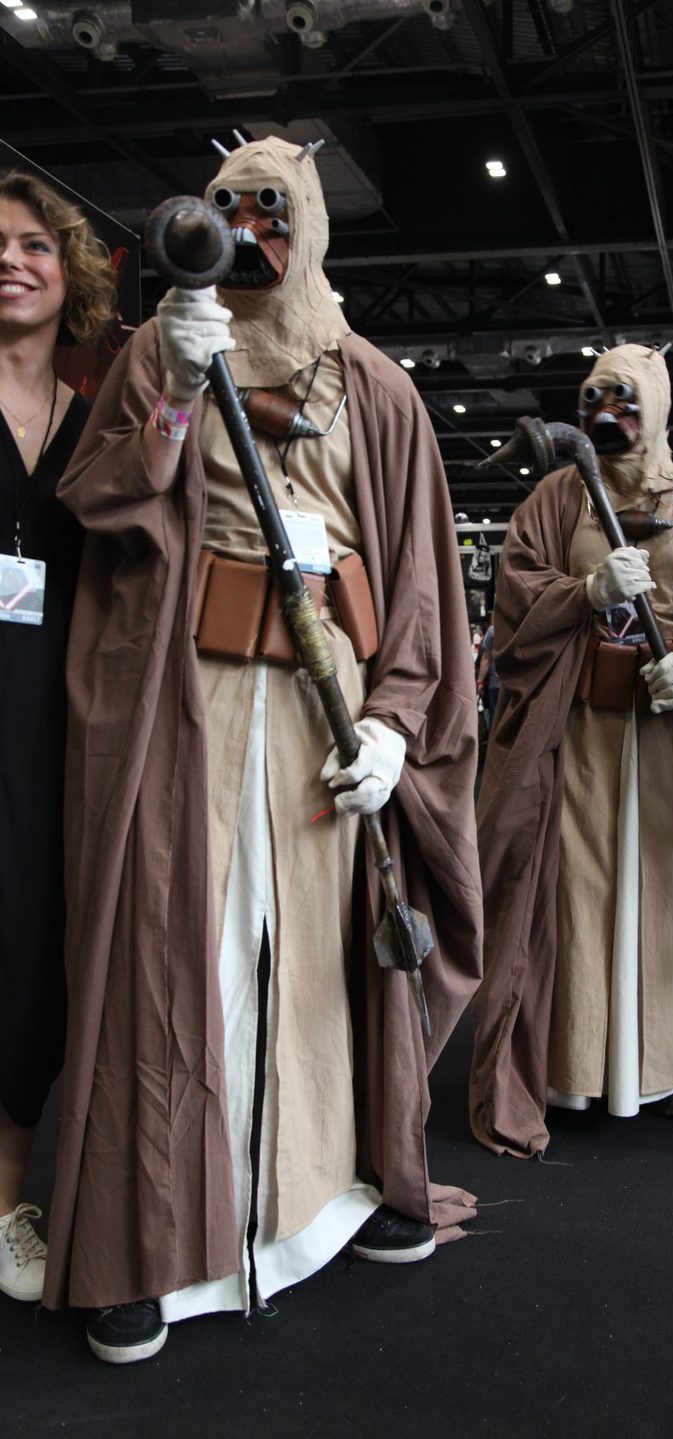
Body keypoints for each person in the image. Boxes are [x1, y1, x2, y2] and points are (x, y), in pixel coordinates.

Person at [43, 136, 482, 1361]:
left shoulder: (376, 387)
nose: (246, 227)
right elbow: (103, 505)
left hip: (324, 719)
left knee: (322, 969)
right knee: (174, 951)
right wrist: (177, 397)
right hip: (182, 703)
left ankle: (329, 1194)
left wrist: (396, 718)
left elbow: (420, 584)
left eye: (271, 207)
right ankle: (155, 1246)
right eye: (228, 206)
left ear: (314, 224)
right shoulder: (158, 348)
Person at [470, 344, 673, 1158]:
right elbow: (515, 594)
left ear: (658, 404)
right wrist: (585, 592)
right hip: (576, 734)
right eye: (595, 394)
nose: (608, 409)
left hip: (668, 740)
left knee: (662, 887)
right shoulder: (554, 498)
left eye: (626, 395)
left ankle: (660, 1063)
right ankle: (572, 1063)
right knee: (574, 889)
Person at [0, 172, 115, 1305]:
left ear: (68, 271)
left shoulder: (93, 429)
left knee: (33, 958)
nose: (13, 260)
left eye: (36, 243)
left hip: (52, 720)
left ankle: (6, 1205)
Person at [476, 615, 500, 720]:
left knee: (495, 721)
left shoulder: (493, 630)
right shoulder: (526, 627)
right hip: (519, 684)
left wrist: (480, 682)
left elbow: (487, 658)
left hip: (496, 685)